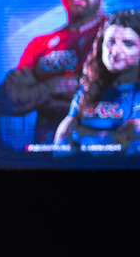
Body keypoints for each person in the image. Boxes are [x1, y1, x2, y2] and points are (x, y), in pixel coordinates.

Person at [0, 0, 112, 144]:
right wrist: (55, 86)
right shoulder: (40, 45)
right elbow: (7, 100)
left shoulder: (123, 40)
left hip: (109, 154)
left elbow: (121, 101)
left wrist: (40, 97)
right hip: (45, 154)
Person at [54, 10, 140, 153]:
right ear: (101, 45)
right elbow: (63, 138)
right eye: (111, 42)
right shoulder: (88, 91)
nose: (115, 51)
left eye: (128, 44)